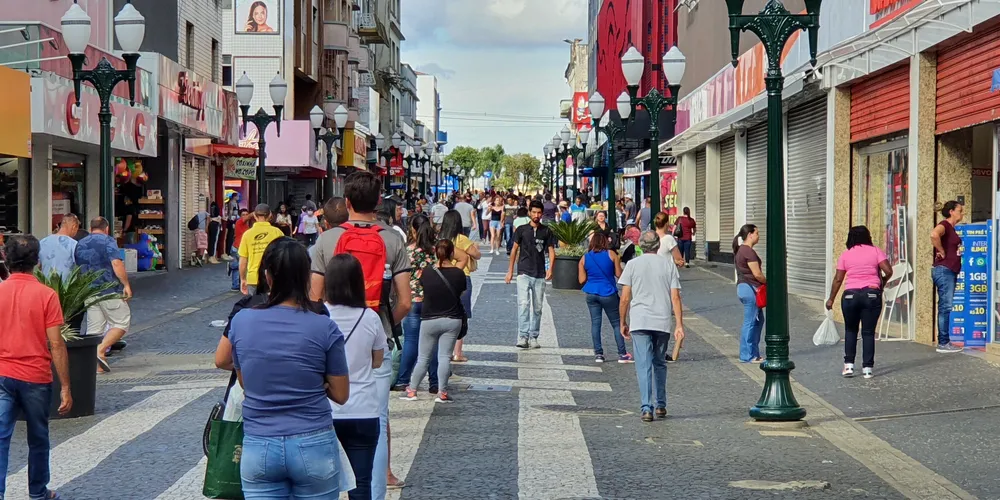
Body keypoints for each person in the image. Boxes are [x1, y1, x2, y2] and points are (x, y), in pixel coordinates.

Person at [308, 171, 412, 499]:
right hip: (375, 342)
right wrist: (380, 326)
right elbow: (406, 301)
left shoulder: (326, 240)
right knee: (377, 422)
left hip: (327, 343)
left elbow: (313, 300)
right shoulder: (393, 239)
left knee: (322, 419)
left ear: (347, 202)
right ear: (378, 202)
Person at [228, 238, 350, 497]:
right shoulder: (324, 327)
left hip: (259, 443)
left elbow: (245, 382)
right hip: (313, 441)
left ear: (267, 276)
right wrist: (318, 382)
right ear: (307, 277)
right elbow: (341, 394)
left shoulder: (241, 321)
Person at [0, 235, 72, 500]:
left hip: (2, 375)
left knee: (0, 438)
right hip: (36, 378)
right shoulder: (47, 295)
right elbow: (56, 344)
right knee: (39, 438)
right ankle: (38, 492)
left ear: (6, 260)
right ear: (37, 262)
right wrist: (66, 386)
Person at [325, 254, 387, 500]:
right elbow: (378, 360)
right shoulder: (370, 317)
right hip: (364, 409)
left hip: (328, 410)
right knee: (361, 484)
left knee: (323, 483)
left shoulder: (320, 316)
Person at [618, 231, 684, 422]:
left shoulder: (632, 265)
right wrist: (679, 323)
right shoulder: (668, 265)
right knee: (659, 362)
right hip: (661, 319)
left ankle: (647, 407)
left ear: (640, 245)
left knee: (643, 364)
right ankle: (661, 404)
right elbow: (675, 297)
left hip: (639, 320)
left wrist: (623, 322)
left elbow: (624, 298)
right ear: (658, 245)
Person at [401, 239, 467, 403]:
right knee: (444, 357)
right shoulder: (459, 274)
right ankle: (442, 393)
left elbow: (423, 288)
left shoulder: (428, 272)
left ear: (436, 252)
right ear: (452, 253)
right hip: (452, 319)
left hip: (429, 319)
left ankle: (412, 391)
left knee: (423, 358)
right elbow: (461, 293)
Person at [826, 226, 892, 379]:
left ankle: (848, 366)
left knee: (850, 331)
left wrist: (831, 299)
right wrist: (880, 282)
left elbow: (838, 279)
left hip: (850, 296)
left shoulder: (846, 255)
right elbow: (888, 270)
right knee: (868, 333)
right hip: (871, 294)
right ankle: (867, 369)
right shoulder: (875, 251)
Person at [75, 217, 133, 373]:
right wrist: (126, 284)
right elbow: (116, 263)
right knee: (121, 322)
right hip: (108, 290)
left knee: (95, 329)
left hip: (89, 291)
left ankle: (97, 367)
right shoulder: (108, 241)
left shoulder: (80, 243)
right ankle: (100, 350)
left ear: (91, 227)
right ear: (106, 228)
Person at [393, 214, 439, 392]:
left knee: (411, 341)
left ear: (412, 229)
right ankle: (435, 382)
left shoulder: (408, 251)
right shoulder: (435, 250)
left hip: (411, 299)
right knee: (432, 342)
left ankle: (403, 379)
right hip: (432, 301)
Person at [505, 200, 557, 349]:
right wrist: (510, 271)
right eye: (533, 212)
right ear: (529, 213)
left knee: (538, 307)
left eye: (539, 213)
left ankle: (534, 336)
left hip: (539, 273)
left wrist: (551, 269)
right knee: (523, 304)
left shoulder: (546, 231)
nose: (536, 215)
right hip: (523, 272)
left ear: (542, 214)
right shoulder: (521, 230)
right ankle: (523, 336)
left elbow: (551, 251)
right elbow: (514, 249)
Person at [579, 231, 631, 363]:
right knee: (616, 323)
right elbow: (619, 274)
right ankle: (622, 353)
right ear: (605, 241)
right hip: (608, 292)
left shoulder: (585, 257)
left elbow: (581, 280)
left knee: (595, 323)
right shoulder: (611, 254)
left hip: (591, 293)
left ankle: (598, 354)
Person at [439, 210, 479, 363]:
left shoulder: (439, 238)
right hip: (462, 277)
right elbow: (477, 255)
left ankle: (444, 351)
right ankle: (457, 353)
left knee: (445, 314)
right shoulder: (462, 239)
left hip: (442, 277)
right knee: (460, 315)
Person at [930, 200, 964, 353]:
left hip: (949, 270)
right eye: (960, 210)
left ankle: (944, 340)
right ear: (951, 211)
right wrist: (941, 250)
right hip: (944, 270)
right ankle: (943, 342)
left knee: (945, 306)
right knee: (945, 306)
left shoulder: (952, 228)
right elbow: (934, 234)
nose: (961, 213)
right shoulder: (944, 225)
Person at [734, 224, 766, 363]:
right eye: (757, 233)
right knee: (751, 322)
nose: (758, 236)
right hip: (750, 288)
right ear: (750, 235)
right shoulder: (748, 252)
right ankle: (747, 355)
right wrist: (768, 282)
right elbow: (757, 274)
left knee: (758, 320)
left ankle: (753, 352)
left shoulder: (741, 250)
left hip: (744, 287)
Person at [238, 204, 284, 296]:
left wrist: (243, 279)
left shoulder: (247, 234)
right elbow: (283, 256)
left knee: (253, 307)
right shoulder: (277, 232)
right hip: (273, 277)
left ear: (254, 215)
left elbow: (243, 260)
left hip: (253, 278)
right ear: (270, 215)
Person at [39, 213, 80, 281]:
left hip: (46, 286)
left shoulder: (43, 242)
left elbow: (38, 266)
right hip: (67, 289)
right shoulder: (74, 244)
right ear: (74, 227)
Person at [229, 208, 251, 291]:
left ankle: (238, 285)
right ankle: (235, 285)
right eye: (243, 215)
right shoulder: (239, 222)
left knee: (240, 267)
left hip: (242, 248)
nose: (245, 216)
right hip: (237, 248)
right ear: (240, 216)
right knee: (237, 267)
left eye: (246, 214)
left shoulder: (246, 226)